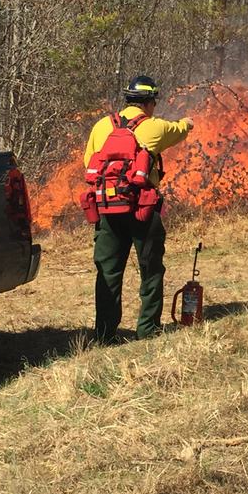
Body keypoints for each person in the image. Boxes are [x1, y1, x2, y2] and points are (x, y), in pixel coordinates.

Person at [83, 75, 194, 343]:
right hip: (142, 210)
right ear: (149, 102)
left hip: (108, 209)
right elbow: (179, 129)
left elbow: (89, 162)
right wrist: (188, 123)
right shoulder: (154, 127)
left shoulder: (102, 126)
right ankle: (147, 329)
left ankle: (105, 334)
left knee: (108, 272)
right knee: (151, 269)